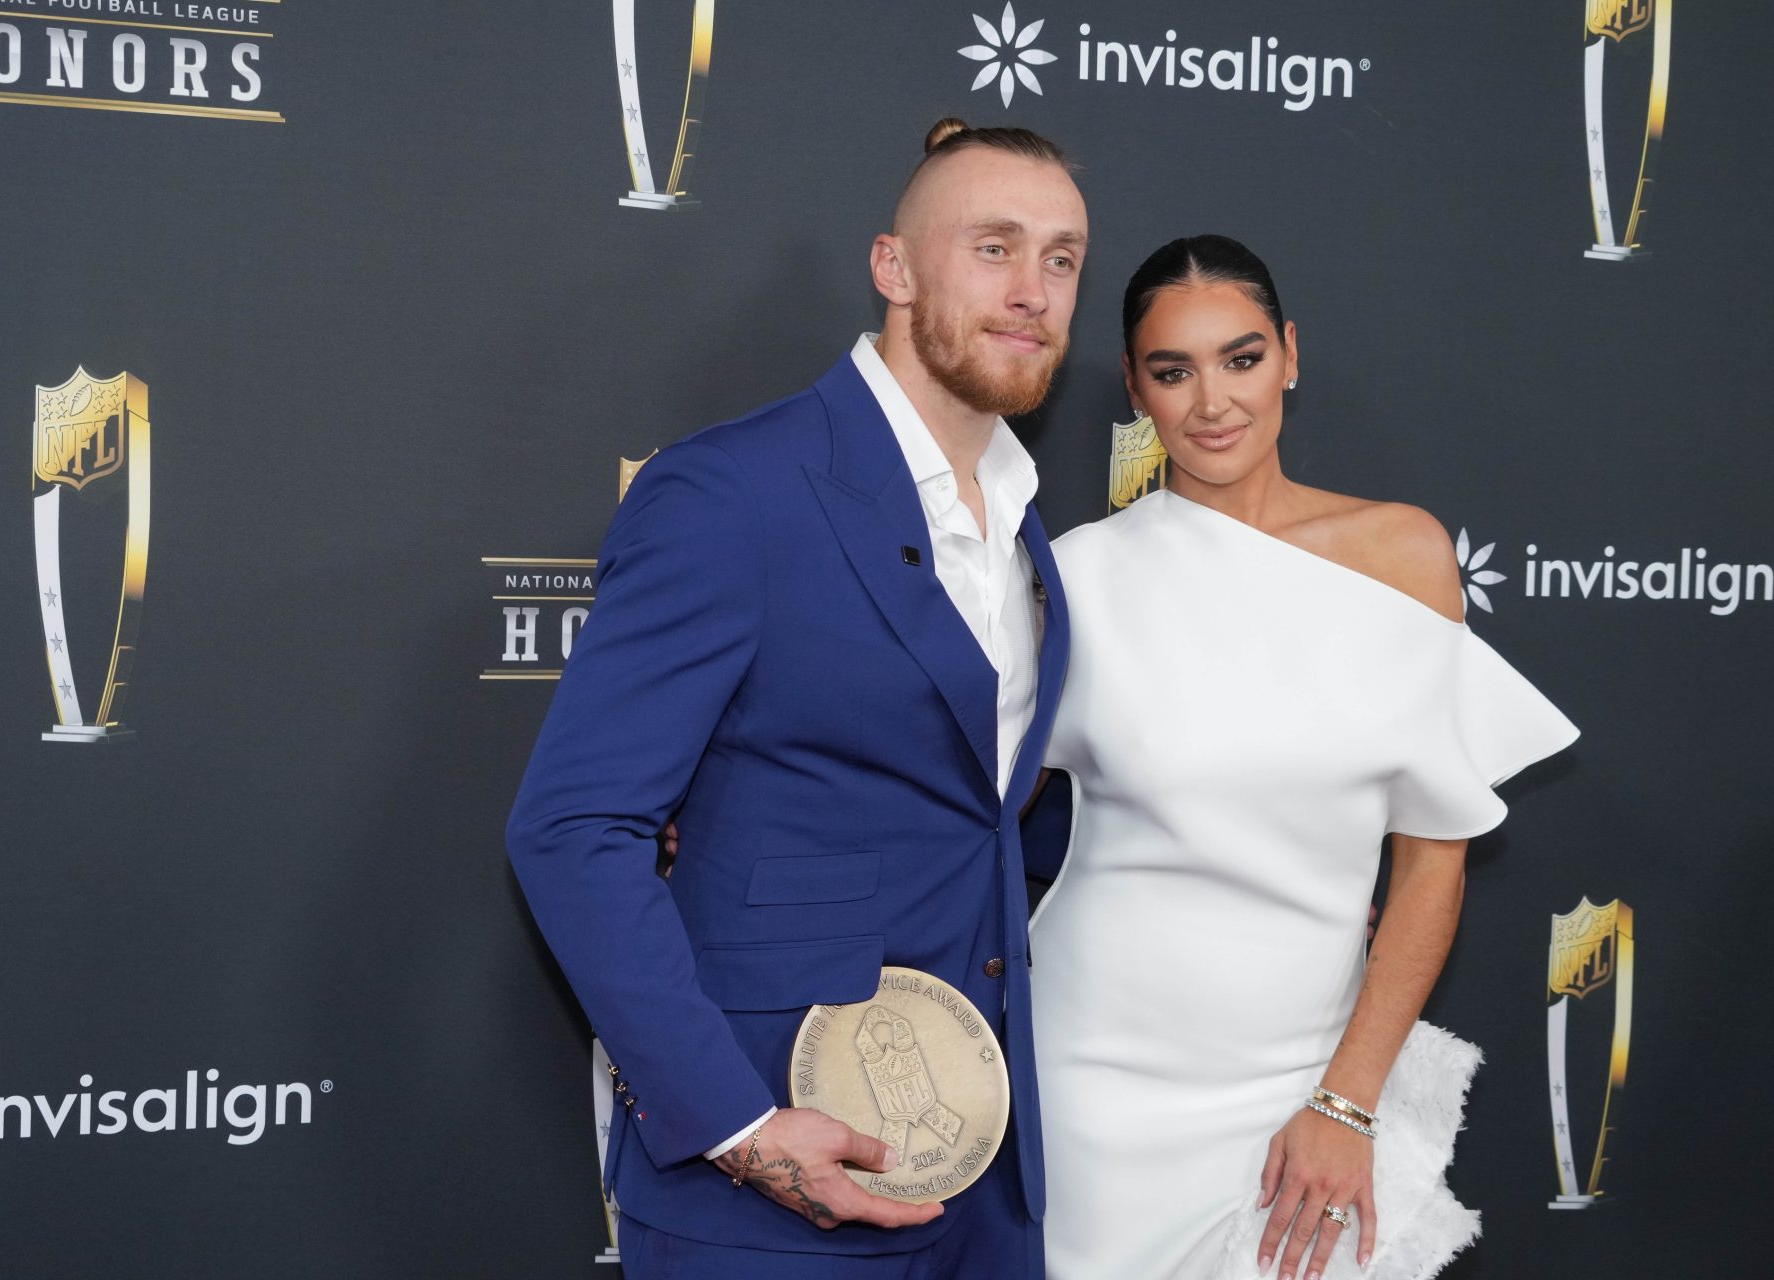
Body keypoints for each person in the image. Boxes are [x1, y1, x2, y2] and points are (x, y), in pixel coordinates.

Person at [505, 118, 1088, 1279]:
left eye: (1063, 259)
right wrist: (739, 1128)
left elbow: (988, 816)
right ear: (895, 266)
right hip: (774, 1192)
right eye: (994, 247)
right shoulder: (732, 492)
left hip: (985, 1178)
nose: (1033, 290)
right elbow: (573, 828)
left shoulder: (1025, 523)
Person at [1027, 235, 1578, 1280]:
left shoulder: (1403, 554)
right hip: (1091, 1073)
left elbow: (1432, 857)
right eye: (1172, 370)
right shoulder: (1080, 578)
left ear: (1289, 354)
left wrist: (1345, 1097)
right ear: (1137, 390)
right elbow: (957, 788)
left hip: (1300, 1074)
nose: (1212, 402)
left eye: (1239, 358)